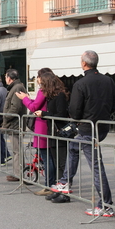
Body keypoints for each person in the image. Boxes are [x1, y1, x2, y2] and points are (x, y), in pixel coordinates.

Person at [51, 50, 115, 217]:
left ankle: (106, 205)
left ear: (84, 64)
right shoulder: (108, 80)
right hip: (101, 126)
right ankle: (65, 181)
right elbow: (114, 104)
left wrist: (78, 118)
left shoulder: (81, 83)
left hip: (87, 128)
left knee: (96, 166)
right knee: (73, 147)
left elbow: (74, 110)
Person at [17, 69, 56, 193]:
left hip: (42, 127)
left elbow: (34, 107)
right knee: (49, 157)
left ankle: (49, 185)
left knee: (46, 157)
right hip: (47, 127)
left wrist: (24, 99)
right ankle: (52, 182)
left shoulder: (43, 90)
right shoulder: (53, 90)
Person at [33, 69, 70, 202]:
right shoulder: (51, 96)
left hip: (60, 132)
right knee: (55, 161)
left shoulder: (60, 95)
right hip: (52, 132)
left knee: (61, 164)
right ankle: (57, 189)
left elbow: (60, 115)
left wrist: (44, 114)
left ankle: (64, 192)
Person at [2, 69, 27, 181]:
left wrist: (6, 116)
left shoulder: (16, 88)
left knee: (17, 150)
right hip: (14, 123)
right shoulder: (15, 87)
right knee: (16, 150)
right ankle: (17, 172)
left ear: (9, 78)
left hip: (15, 123)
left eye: (6, 77)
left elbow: (15, 107)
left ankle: (18, 173)